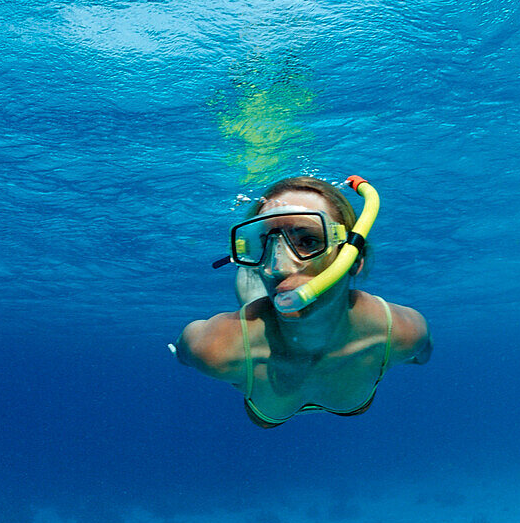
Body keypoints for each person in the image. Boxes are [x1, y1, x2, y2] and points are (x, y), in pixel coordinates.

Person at [172, 175, 432, 428]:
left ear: (354, 261)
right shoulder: (216, 348)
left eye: (308, 240)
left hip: (271, 398)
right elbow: (184, 353)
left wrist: (404, 354)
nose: (279, 267)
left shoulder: (402, 332)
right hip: (253, 341)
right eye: (265, 244)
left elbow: (422, 353)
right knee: (255, 299)